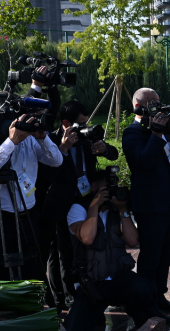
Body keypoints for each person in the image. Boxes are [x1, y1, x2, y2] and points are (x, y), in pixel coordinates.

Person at [64, 170, 169, 331]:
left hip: (117, 278)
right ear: (94, 187)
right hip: (91, 283)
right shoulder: (78, 209)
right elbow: (87, 238)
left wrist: (123, 210)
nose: (112, 190)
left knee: (141, 288)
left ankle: (148, 320)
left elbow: (133, 240)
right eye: (107, 187)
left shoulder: (117, 211)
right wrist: (94, 206)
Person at [36, 99, 118, 309]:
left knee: (77, 248)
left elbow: (114, 154)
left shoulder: (86, 137)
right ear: (65, 123)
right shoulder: (51, 139)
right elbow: (47, 174)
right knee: (61, 252)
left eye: (85, 123)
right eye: (80, 124)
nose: (84, 127)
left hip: (84, 199)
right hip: (60, 203)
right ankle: (64, 297)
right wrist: (64, 147)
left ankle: (75, 293)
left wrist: (104, 148)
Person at [0, 102, 63, 280]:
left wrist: (42, 137)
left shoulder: (30, 138)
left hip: (27, 211)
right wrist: (10, 142)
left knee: (31, 263)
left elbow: (56, 160)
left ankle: (33, 299)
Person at [123, 87, 170, 316]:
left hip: (169, 205)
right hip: (150, 207)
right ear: (140, 106)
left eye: (159, 101)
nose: (159, 107)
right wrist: (156, 134)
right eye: (153, 103)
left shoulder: (161, 131)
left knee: (166, 255)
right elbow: (142, 163)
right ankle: (145, 304)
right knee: (150, 258)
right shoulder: (132, 133)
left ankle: (159, 296)